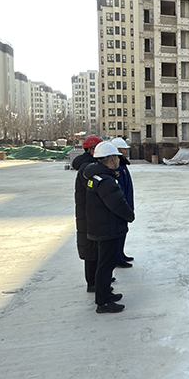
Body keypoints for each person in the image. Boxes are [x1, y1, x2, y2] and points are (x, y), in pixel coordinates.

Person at [83, 142, 135, 313]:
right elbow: (117, 204)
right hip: (107, 229)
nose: (119, 160)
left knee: (104, 264)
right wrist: (129, 216)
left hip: (100, 227)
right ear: (111, 159)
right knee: (106, 266)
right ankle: (103, 302)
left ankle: (105, 294)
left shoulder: (95, 177)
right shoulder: (106, 181)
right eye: (117, 157)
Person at [73, 134, 103, 292]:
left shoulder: (89, 165)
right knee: (91, 250)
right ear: (92, 150)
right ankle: (93, 283)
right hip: (88, 215)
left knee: (95, 249)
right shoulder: (87, 168)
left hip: (89, 213)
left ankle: (98, 278)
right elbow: (96, 190)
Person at [111, 137, 135, 268]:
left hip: (127, 204)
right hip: (122, 206)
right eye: (124, 149)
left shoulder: (123, 165)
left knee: (123, 231)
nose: (126, 151)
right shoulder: (117, 168)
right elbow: (120, 190)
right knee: (119, 232)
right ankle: (117, 258)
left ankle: (121, 253)